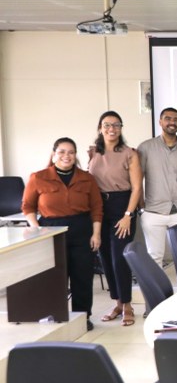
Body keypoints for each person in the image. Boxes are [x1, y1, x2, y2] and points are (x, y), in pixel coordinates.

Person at [22, 138, 102, 331]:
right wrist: (37, 229)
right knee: (54, 276)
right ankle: (54, 316)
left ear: (76, 155)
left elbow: (97, 208)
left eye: (71, 152)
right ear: (54, 153)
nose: (67, 156)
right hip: (50, 229)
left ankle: (83, 317)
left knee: (82, 276)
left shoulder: (86, 178)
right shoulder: (38, 177)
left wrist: (96, 234)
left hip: (81, 228)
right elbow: (28, 207)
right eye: (62, 152)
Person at [87, 112, 141, 328]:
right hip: (99, 207)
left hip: (122, 207)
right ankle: (118, 303)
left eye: (116, 125)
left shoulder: (130, 153)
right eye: (107, 125)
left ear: (121, 128)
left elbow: (137, 187)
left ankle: (128, 305)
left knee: (120, 259)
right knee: (105, 259)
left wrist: (128, 215)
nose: (112, 129)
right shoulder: (93, 152)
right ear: (100, 127)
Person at [137, 107, 177, 267]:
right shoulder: (145, 147)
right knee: (154, 256)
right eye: (168, 118)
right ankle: (155, 292)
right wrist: (142, 207)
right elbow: (138, 179)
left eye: (176, 119)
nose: (172, 122)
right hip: (153, 211)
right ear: (160, 122)